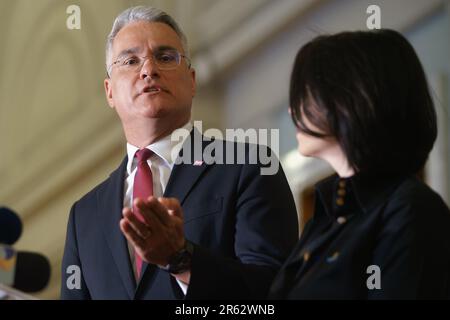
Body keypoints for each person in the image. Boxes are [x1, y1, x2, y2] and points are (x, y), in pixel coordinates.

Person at [60, 6, 298, 300]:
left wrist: (181, 259)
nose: (149, 69)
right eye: (131, 60)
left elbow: (273, 294)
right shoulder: (84, 215)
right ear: (109, 91)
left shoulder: (248, 168)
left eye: (165, 57)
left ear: (192, 80)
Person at [269, 29, 450, 299]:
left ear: (353, 98)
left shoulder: (411, 209)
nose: (292, 110)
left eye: (306, 94)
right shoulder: (325, 220)